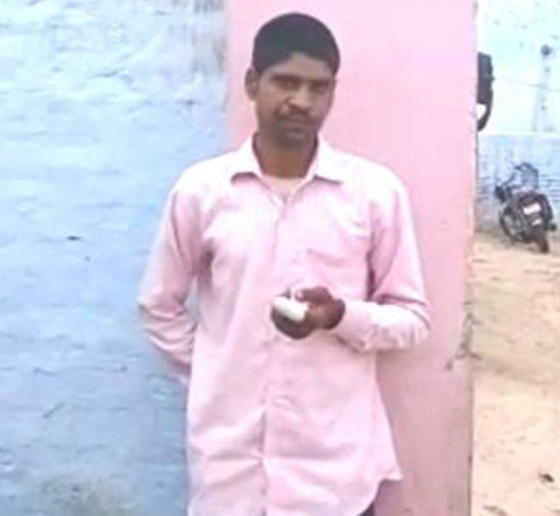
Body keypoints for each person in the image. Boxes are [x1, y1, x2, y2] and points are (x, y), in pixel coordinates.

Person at [138, 12, 430, 516]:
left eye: (319, 88)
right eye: (286, 82)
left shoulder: (374, 194)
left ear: (333, 92)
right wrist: (216, 370)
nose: (302, 101)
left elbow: (413, 319)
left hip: (335, 479)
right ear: (253, 84)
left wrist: (340, 316)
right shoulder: (203, 192)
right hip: (232, 477)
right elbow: (158, 306)